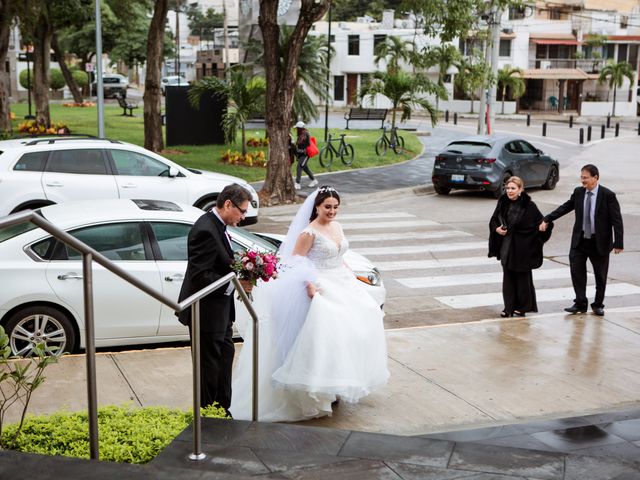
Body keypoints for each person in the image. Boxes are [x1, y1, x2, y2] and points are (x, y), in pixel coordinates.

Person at [230, 186, 389, 421]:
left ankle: (337, 384)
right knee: (325, 336)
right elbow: (296, 262)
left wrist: (351, 274)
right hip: (319, 285)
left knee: (355, 330)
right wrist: (310, 285)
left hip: (343, 283)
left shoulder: (337, 226)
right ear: (316, 207)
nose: (332, 211)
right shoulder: (308, 233)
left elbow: (339, 255)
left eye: (335, 207)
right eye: (327, 207)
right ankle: (317, 388)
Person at [177, 183, 253, 414]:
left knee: (224, 360)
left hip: (220, 313)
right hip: (206, 313)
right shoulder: (205, 230)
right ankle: (208, 418)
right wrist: (236, 283)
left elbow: (219, 262)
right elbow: (201, 276)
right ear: (228, 204)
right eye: (242, 211)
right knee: (208, 369)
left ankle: (222, 410)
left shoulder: (218, 226)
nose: (244, 217)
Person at [539, 164, 623, 316]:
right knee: (577, 271)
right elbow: (565, 207)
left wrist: (619, 242)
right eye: (581, 177)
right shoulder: (578, 192)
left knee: (600, 275)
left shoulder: (608, 195)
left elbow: (617, 220)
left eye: (585, 178)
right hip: (580, 240)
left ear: (595, 178)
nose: (582, 181)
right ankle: (580, 303)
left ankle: (598, 304)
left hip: (599, 242)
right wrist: (547, 218)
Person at [489, 176, 553, 317]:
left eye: (513, 188)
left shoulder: (529, 206)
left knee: (523, 279)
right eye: (507, 188)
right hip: (507, 246)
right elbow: (494, 219)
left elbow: (542, 223)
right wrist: (497, 229)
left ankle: (523, 307)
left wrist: (544, 227)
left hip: (523, 248)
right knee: (508, 278)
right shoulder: (502, 201)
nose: (509, 191)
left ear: (520, 190)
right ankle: (508, 308)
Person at [293, 121, 318, 190]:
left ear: (300, 128)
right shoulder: (301, 134)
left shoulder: (304, 135)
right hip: (302, 154)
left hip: (305, 154)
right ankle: (314, 180)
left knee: (300, 166)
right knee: (304, 167)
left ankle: (297, 183)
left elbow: (304, 148)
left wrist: (296, 149)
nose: (296, 130)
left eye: (297, 128)